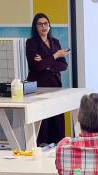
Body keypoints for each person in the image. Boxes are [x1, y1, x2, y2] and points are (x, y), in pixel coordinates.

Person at [25, 12, 69, 145]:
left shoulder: (55, 41)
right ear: (35, 27)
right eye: (40, 24)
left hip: (55, 85)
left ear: (49, 26)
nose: (43, 26)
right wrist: (55, 56)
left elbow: (64, 65)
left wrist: (46, 64)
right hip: (39, 87)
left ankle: (58, 146)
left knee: (57, 118)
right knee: (43, 120)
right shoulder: (31, 43)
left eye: (46, 24)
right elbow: (36, 67)